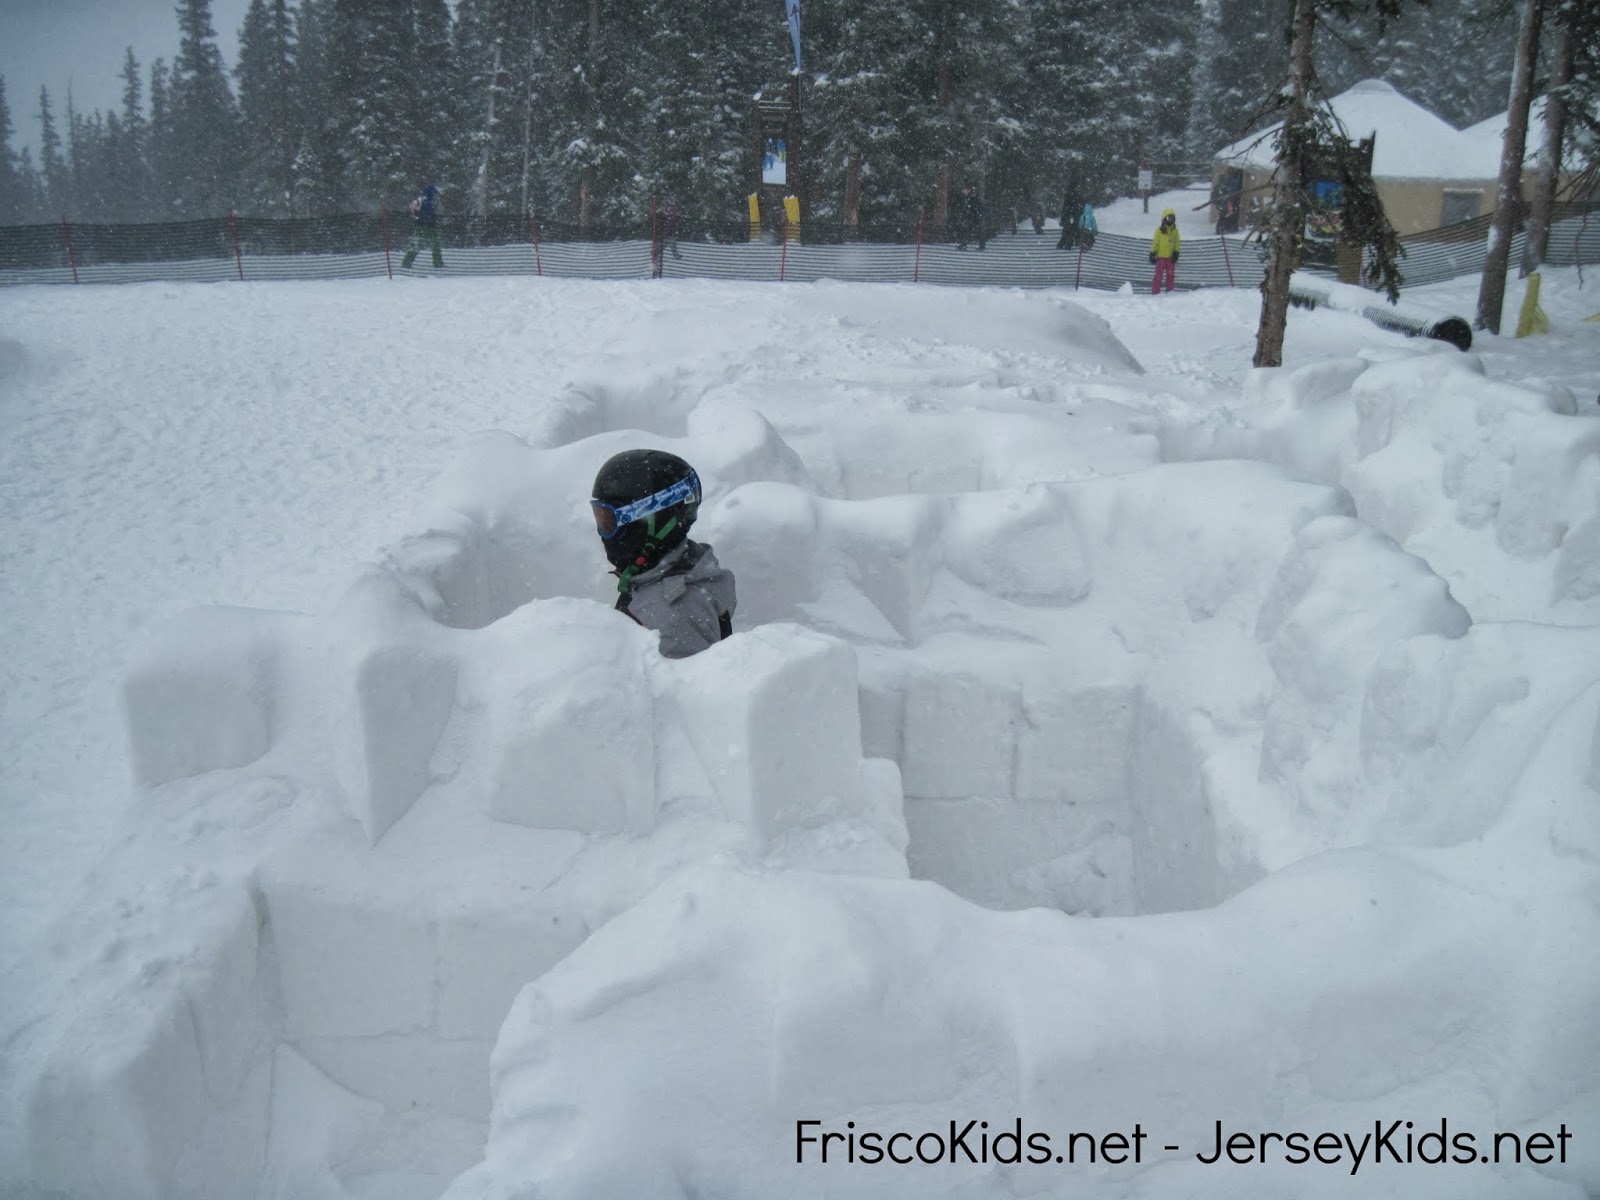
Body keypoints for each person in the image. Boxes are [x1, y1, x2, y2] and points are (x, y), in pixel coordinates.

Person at [590, 449, 736, 659]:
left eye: (609, 521)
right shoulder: (668, 568)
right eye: (600, 518)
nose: (604, 533)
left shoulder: (673, 618)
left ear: (654, 522)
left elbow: (678, 689)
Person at [401, 183, 444, 270]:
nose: (436, 197)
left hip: (423, 226)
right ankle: (437, 263)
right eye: (435, 194)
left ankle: (407, 262)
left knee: (420, 245)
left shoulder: (423, 201)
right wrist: (430, 221)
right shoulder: (426, 202)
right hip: (426, 227)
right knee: (433, 245)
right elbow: (427, 215)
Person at [1149, 207, 1180, 294]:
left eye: (1172, 218)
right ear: (1164, 219)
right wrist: (1153, 253)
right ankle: (1155, 292)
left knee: (1170, 275)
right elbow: (1155, 243)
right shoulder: (1159, 231)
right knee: (1158, 276)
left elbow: (1177, 242)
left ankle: (1170, 292)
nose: (1170, 220)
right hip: (1161, 257)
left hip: (1170, 257)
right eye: (1168, 218)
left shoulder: (1175, 231)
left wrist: (1176, 252)